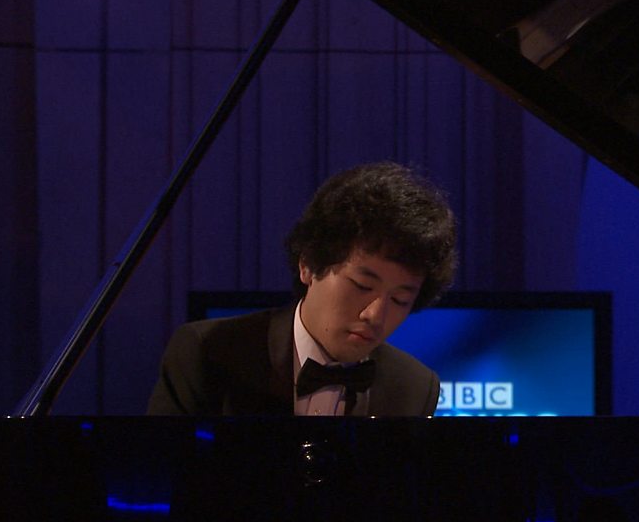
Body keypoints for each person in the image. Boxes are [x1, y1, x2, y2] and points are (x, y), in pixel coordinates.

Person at [147, 161, 457, 416]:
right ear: (308, 265)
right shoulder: (208, 352)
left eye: (400, 299)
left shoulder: (414, 388)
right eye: (362, 285)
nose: (375, 315)